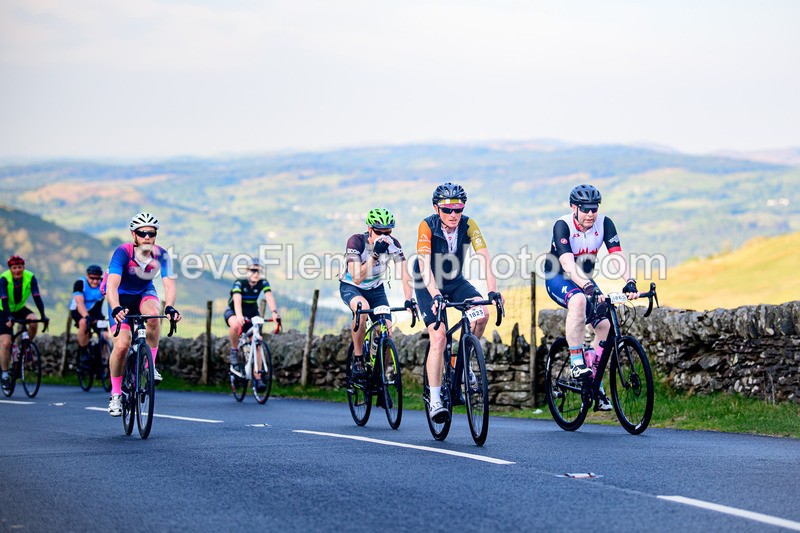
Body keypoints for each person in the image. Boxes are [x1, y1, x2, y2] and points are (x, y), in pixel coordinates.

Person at [543, 184, 639, 411]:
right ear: (574, 208)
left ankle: (595, 383)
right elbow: (567, 263)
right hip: (558, 276)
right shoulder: (562, 225)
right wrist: (587, 286)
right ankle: (576, 361)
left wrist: (630, 280)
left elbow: (617, 256)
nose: (590, 214)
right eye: (585, 209)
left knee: (605, 325)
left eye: (593, 209)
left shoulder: (604, 223)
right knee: (578, 300)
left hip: (584, 278)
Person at [413, 182, 503, 422]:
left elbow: (485, 257)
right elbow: (423, 264)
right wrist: (434, 295)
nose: (453, 215)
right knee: (440, 337)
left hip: (454, 280)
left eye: (458, 209)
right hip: (427, 282)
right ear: (436, 209)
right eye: (447, 210)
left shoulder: (469, 224)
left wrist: (492, 291)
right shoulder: (427, 226)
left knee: (482, 313)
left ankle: (464, 364)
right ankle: (435, 400)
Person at [105, 212, 182, 416]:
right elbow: (112, 285)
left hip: (143, 292)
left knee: (154, 316)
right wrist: (115, 308)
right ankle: (116, 395)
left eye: (151, 233)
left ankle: (150, 366)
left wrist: (170, 307)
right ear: (134, 234)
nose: (147, 237)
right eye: (142, 233)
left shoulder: (161, 254)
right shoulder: (122, 252)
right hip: (119, 296)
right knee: (121, 345)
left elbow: (169, 284)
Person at [340, 208, 415, 380]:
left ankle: (379, 379)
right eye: (379, 232)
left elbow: (404, 274)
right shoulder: (356, 241)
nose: (384, 236)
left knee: (387, 332)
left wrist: (409, 300)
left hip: (376, 289)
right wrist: (375, 254)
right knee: (362, 308)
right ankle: (358, 359)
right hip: (352, 287)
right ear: (369, 229)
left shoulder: (393, 244)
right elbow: (357, 278)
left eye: (388, 232)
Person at [225, 258, 280, 392]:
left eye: (259, 271)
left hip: (252, 313)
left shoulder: (263, 283)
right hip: (234, 311)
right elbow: (237, 300)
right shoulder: (240, 282)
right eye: (253, 270)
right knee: (236, 325)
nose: (256, 273)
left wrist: (274, 313)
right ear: (247, 271)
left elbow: (269, 296)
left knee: (258, 342)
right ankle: (234, 351)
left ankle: (258, 377)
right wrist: (239, 316)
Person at [1, 255, 48, 389]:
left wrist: (43, 315)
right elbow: (4, 299)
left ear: (24, 267)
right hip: (3, 310)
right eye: (14, 268)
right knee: (6, 343)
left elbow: (37, 296)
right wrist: (8, 317)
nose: (17, 270)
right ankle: (4, 374)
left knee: (33, 321)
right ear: (10, 268)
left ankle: (25, 347)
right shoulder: (4, 278)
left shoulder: (30, 277)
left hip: (20, 308)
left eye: (20, 267)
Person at [70, 264, 107, 369]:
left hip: (96, 312)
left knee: (105, 336)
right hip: (78, 310)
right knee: (83, 323)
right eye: (92, 278)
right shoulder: (80, 283)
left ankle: (102, 361)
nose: (95, 281)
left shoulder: (104, 284)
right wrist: (86, 316)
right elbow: (80, 303)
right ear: (87, 276)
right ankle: (84, 352)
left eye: (97, 279)